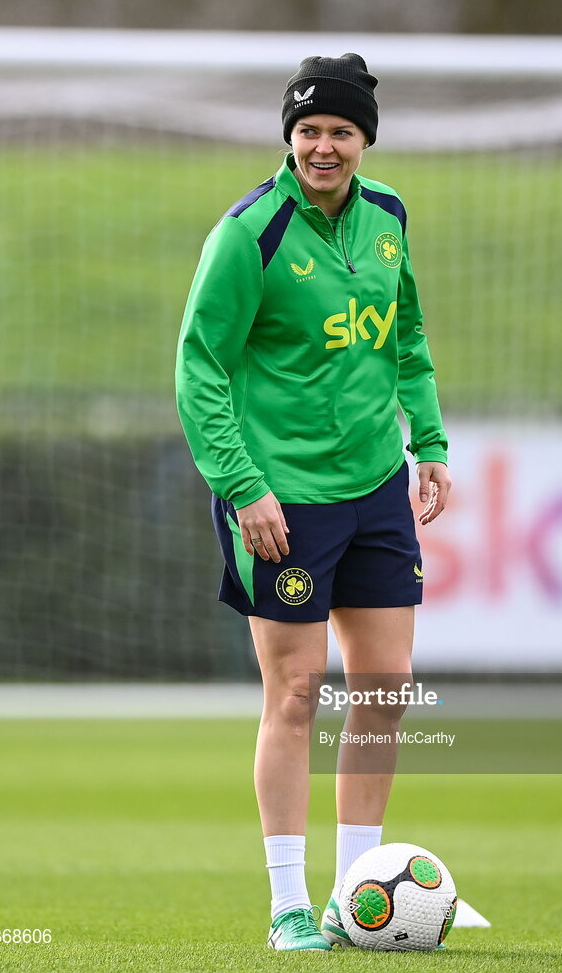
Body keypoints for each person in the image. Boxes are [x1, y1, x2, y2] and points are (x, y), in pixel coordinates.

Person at [175, 53, 451, 951]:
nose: (322, 147)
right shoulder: (248, 232)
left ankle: (354, 894)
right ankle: (289, 905)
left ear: (364, 137)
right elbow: (199, 369)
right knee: (296, 692)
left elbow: (405, 335)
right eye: (307, 132)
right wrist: (242, 486)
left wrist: (431, 444)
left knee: (386, 688)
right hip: (281, 498)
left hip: (375, 486)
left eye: (339, 131)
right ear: (288, 139)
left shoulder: (390, 219)